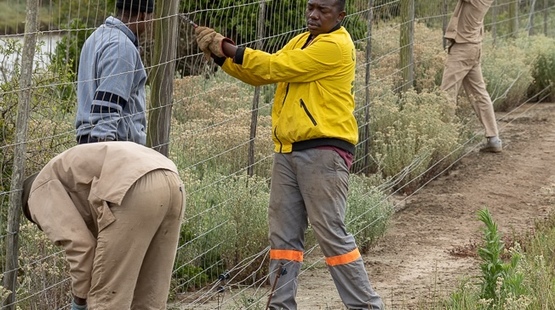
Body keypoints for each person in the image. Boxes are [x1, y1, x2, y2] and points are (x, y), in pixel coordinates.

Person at [194, 0, 384, 309]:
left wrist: (225, 46)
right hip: (288, 150)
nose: (313, 14)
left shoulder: (335, 45)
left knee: (332, 236)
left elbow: (275, 67)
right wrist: (221, 59)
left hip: (323, 149)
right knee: (283, 240)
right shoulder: (302, 40)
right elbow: (262, 74)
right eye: (310, 7)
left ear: (340, 16)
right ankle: (280, 305)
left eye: (323, 10)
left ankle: (366, 306)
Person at [21, 142, 185, 310]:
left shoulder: (37, 193)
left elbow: (81, 247)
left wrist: (79, 300)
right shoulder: (62, 172)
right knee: (149, 301)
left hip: (132, 188)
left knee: (107, 302)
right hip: (172, 180)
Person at [75, 0, 154, 145]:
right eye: (151, 17)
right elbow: (106, 113)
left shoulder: (96, 36)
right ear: (143, 16)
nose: (151, 23)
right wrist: (104, 160)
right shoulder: (122, 47)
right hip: (116, 147)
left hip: (87, 142)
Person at [441, 0, 502, 152]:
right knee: (479, 93)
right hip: (473, 47)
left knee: (446, 93)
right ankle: (493, 138)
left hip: (463, 49)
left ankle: (442, 142)